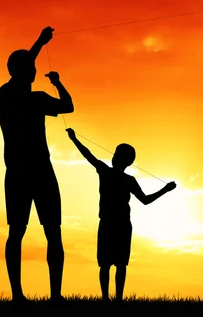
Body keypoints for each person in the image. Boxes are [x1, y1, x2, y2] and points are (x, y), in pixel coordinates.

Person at [0, 26, 74, 303]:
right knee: (50, 232)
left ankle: (20, 295)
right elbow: (69, 106)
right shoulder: (34, 99)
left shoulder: (5, 94)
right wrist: (57, 82)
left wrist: (39, 43)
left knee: (19, 232)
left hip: (18, 171)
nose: (33, 70)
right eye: (30, 67)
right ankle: (52, 296)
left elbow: (23, 66)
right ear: (25, 72)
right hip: (38, 171)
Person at [65, 127, 176, 302]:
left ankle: (116, 299)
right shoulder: (109, 173)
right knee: (106, 264)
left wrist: (165, 190)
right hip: (111, 223)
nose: (114, 156)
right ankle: (108, 299)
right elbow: (88, 155)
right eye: (116, 153)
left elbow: (145, 200)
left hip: (120, 225)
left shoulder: (117, 176)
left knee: (119, 264)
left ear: (125, 161)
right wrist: (74, 139)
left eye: (118, 154)